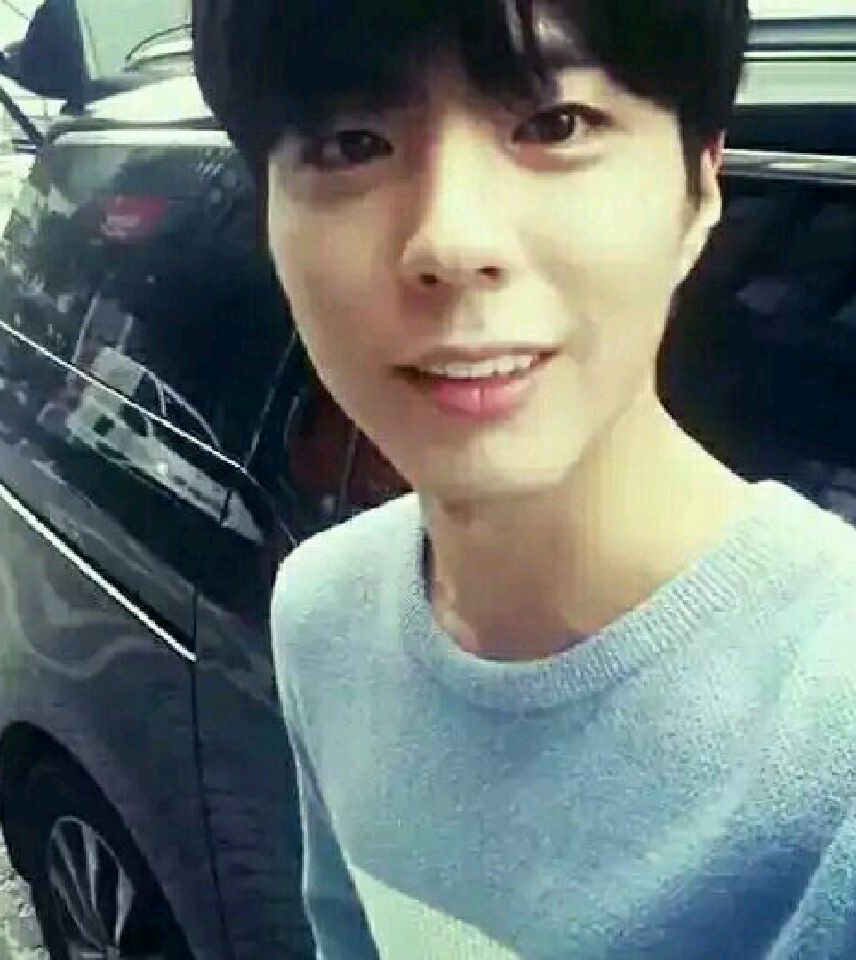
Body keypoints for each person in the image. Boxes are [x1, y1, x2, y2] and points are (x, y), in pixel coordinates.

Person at [193, 2, 856, 957]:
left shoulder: (832, 748)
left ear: (700, 182)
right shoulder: (323, 612)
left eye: (556, 124)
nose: (450, 243)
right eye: (350, 144)